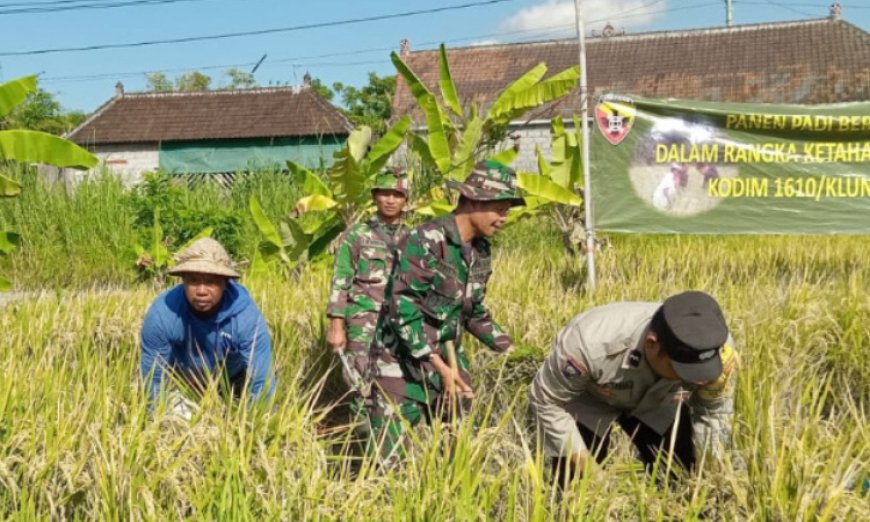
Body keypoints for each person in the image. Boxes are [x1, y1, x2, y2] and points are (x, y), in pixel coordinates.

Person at [368, 159, 525, 461]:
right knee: (389, 458)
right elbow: (403, 308)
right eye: (501, 209)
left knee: (459, 450)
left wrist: (511, 350)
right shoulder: (425, 239)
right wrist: (438, 365)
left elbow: (473, 311)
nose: (504, 218)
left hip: (449, 358)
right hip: (401, 363)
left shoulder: (480, 250)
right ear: (475, 201)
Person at [529, 291, 739, 486]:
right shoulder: (587, 344)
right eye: (686, 371)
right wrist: (592, 473)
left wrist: (709, 473)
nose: (699, 381)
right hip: (592, 398)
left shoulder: (715, 349)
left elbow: (714, 412)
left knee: (681, 473)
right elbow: (546, 400)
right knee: (574, 486)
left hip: (660, 399)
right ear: (652, 344)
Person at [140, 237, 275, 416]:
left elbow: (261, 381)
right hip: (183, 383)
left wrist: (256, 429)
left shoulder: (246, 318)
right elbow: (154, 380)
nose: (202, 291)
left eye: (211, 282)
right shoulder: (163, 314)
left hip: (233, 382)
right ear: (183, 281)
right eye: (194, 281)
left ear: (225, 283)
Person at [325, 170, 410, 425]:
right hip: (363, 322)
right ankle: (363, 445)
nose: (390, 200)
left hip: (400, 323)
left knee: (398, 383)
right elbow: (340, 281)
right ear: (375, 196)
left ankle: (390, 440)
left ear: (406, 200)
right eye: (385, 193)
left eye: (398, 194)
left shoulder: (414, 238)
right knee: (360, 383)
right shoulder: (356, 235)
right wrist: (336, 326)